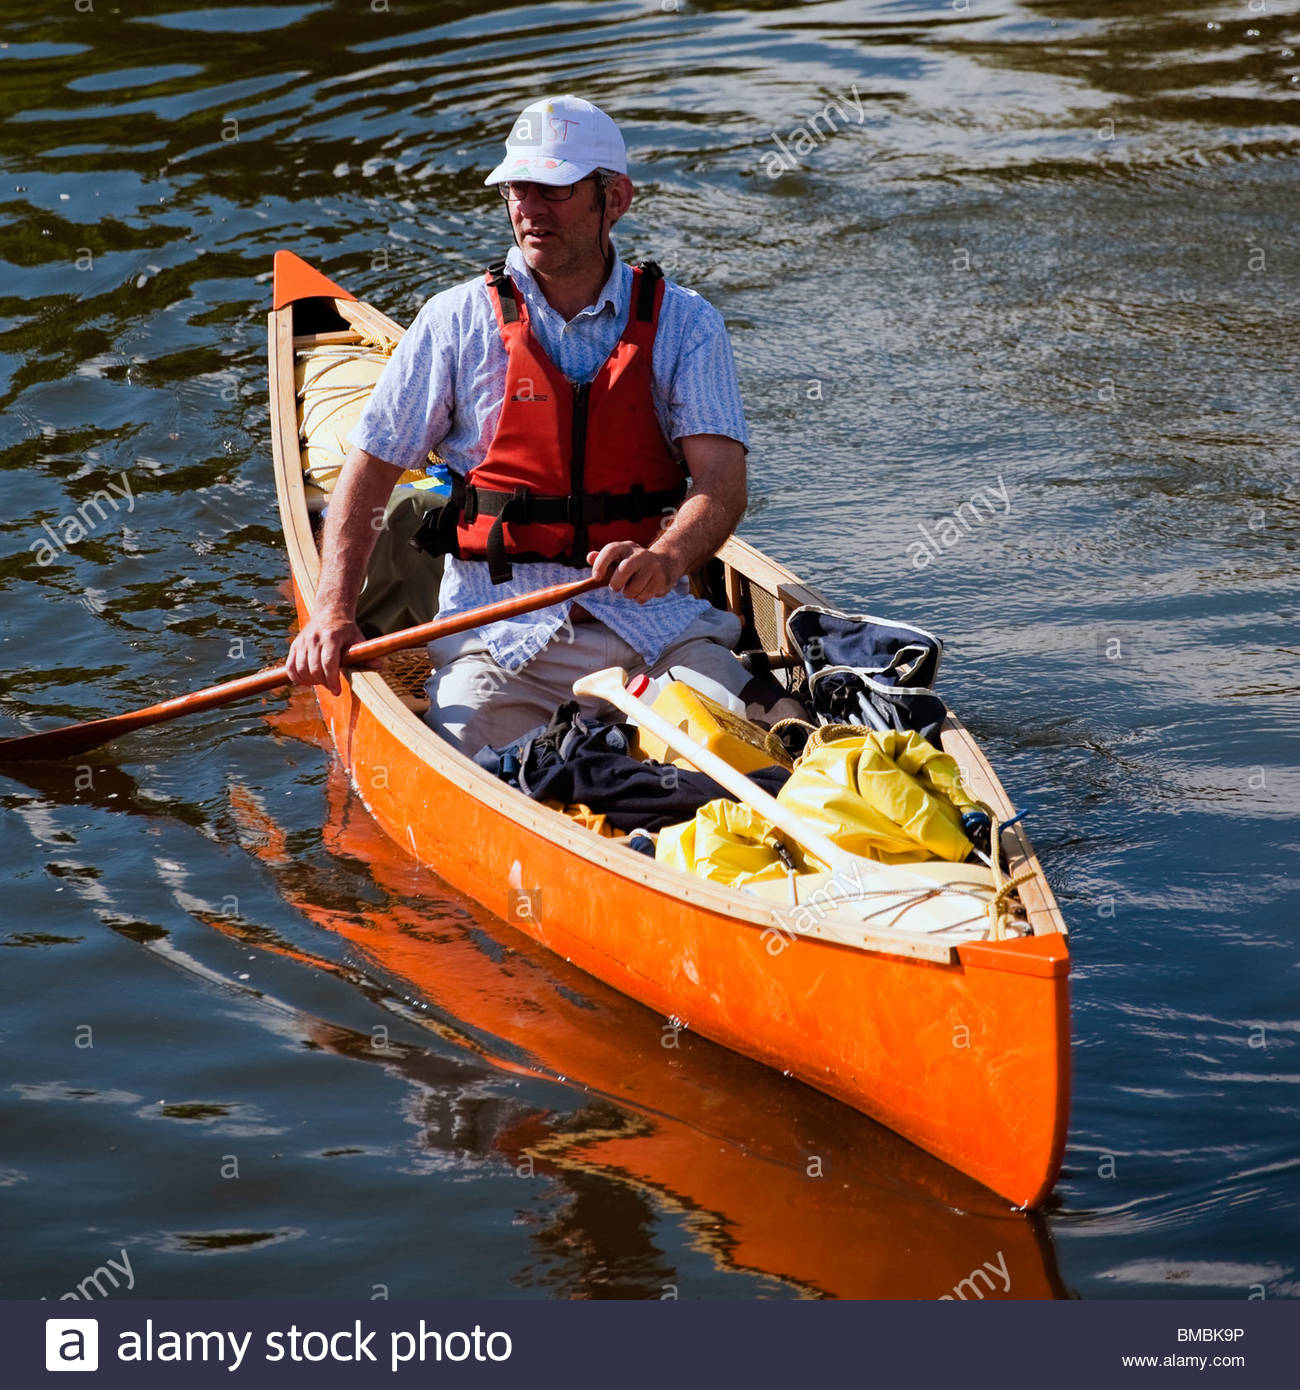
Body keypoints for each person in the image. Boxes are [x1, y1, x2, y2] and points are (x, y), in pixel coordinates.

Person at [287, 94, 777, 754]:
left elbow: (722, 482)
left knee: (752, 756)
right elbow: (369, 470)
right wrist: (333, 613)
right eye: (518, 187)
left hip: (656, 631)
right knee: (473, 763)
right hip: (497, 643)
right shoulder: (454, 322)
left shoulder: (688, 323)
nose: (529, 208)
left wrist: (667, 558)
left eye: (554, 189)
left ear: (617, 198)